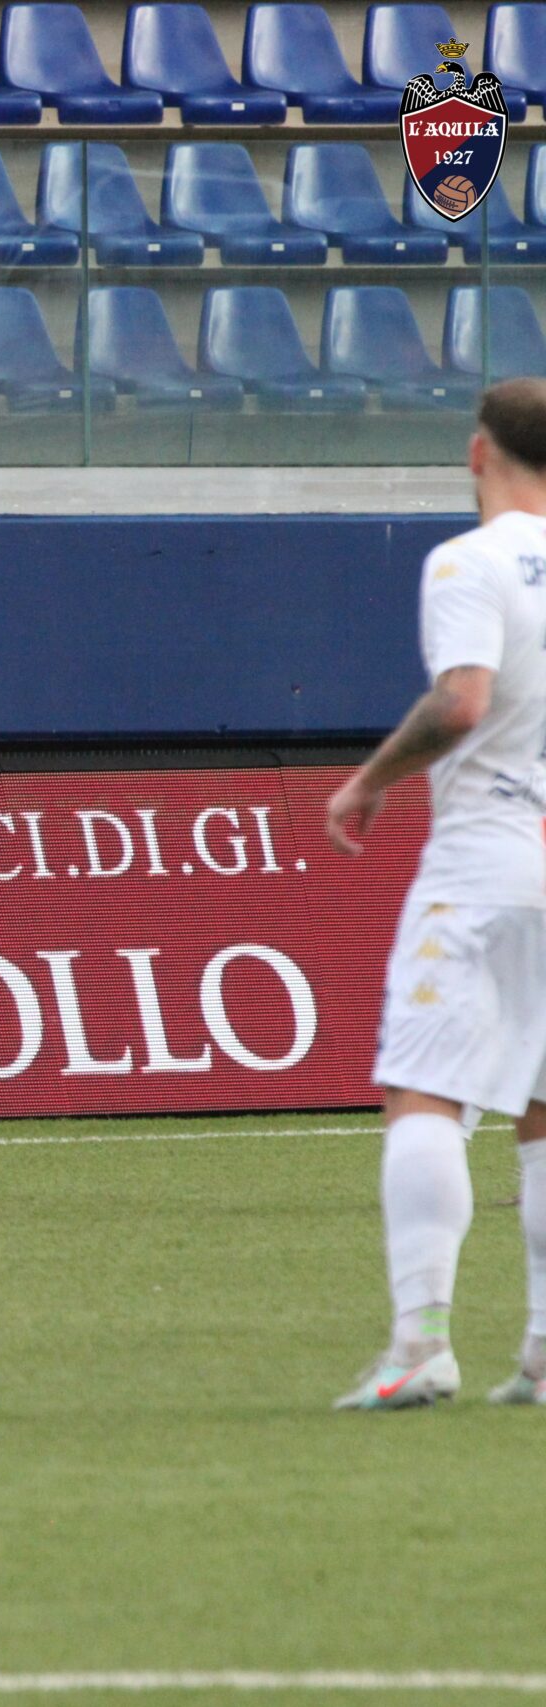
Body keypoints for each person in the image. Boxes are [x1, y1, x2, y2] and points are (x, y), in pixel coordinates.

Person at [327, 377, 546, 1410]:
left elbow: (461, 702)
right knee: (541, 1109)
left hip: (483, 861)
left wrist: (369, 779)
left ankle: (419, 1343)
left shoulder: (468, 562)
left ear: (476, 452)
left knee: (423, 1089)